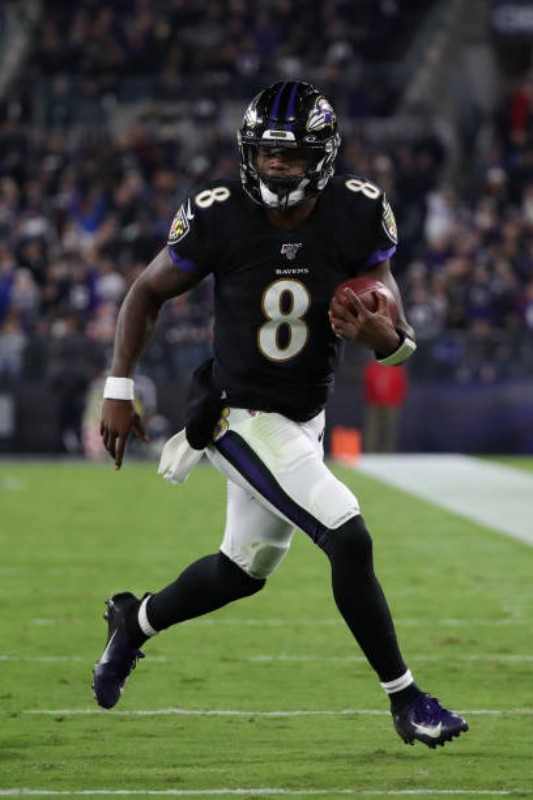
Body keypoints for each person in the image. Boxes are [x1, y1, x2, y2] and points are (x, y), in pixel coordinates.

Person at [93, 81, 468, 749]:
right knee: (347, 533)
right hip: (236, 413)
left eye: (290, 156)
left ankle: (134, 621)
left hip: (303, 416)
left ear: (321, 159)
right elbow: (146, 292)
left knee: (242, 571)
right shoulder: (218, 213)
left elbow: (399, 337)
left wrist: (383, 337)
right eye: (266, 153)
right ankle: (407, 699)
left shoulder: (357, 211)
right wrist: (119, 387)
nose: (275, 166)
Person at [362, 357, 408, 453]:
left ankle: (387, 453)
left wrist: (396, 401)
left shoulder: (396, 369)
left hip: (391, 404)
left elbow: (401, 385)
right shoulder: (373, 367)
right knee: (372, 429)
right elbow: (367, 384)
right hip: (375, 404)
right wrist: (371, 400)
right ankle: (370, 452)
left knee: (389, 430)